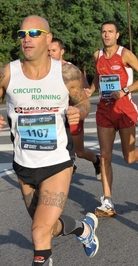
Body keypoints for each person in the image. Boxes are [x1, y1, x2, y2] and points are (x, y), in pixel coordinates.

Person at [0, 15, 98, 265]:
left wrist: (80, 111)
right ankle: (83, 229)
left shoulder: (66, 73)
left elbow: (84, 101)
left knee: (38, 232)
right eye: (22, 34)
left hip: (58, 162)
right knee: (45, 227)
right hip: (24, 165)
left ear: (48, 38)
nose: (27, 39)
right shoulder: (8, 72)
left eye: (33, 33)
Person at [87, 20, 138, 217]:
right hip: (104, 111)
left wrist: (125, 91)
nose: (106, 35)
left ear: (117, 35)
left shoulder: (124, 54)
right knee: (105, 156)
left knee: (128, 157)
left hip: (124, 109)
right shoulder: (97, 55)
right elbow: (97, 76)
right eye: (103, 32)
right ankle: (107, 201)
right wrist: (90, 90)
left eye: (110, 32)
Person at [48, 37, 101, 179]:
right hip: (55, 118)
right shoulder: (44, 70)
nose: (50, 53)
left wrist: (87, 92)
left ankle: (97, 161)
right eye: (48, 51)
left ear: (62, 51)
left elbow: (84, 93)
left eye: (53, 50)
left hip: (72, 114)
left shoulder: (71, 70)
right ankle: (68, 165)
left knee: (80, 152)